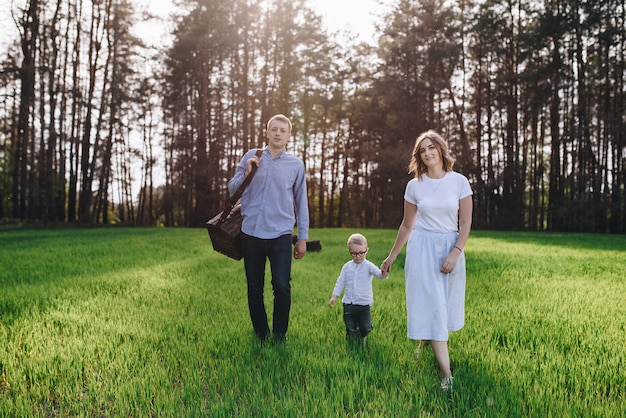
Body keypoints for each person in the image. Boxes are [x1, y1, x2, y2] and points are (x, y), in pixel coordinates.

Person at [381, 130, 473, 392]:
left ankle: (425, 339)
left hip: (449, 246)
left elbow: (465, 223)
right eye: (423, 150)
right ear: (419, 156)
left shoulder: (459, 182)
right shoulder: (414, 185)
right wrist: (392, 256)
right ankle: (447, 375)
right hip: (421, 248)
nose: (428, 153)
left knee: (443, 306)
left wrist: (456, 251)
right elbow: (407, 225)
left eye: (432, 147)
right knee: (433, 306)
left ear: (441, 150)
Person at [228, 114, 309, 343]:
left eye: (282, 130)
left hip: (281, 234)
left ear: (289, 136)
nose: (277, 133)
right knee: (254, 287)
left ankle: (279, 335)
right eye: (273, 129)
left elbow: (302, 202)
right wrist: (247, 173)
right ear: (266, 132)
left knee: (282, 286)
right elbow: (232, 190)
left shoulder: (295, 165)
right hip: (251, 232)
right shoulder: (251, 156)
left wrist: (302, 237)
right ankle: (261, 334)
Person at [328, 233, 388, 348]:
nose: (358, 256)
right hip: (348, 304)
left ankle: (360, 337)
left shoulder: (368, 266)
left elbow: (379, 275)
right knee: (350, 326)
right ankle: (352, 346)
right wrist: (334, 296)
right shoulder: (346, 267)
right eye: (354, 253)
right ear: (349, 252)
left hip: (364, 304)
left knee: (365, 327)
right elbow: (340, 282)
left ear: (367, 251)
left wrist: (384, 272)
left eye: (361, 253)